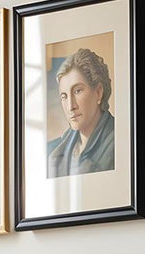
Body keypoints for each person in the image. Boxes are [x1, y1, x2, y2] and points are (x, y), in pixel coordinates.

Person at [47, 48, 115, 177]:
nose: (71, 106)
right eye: (64, 96)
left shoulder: (119, 141)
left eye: (78, 91)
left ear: (98, 92)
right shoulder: (53, 151)